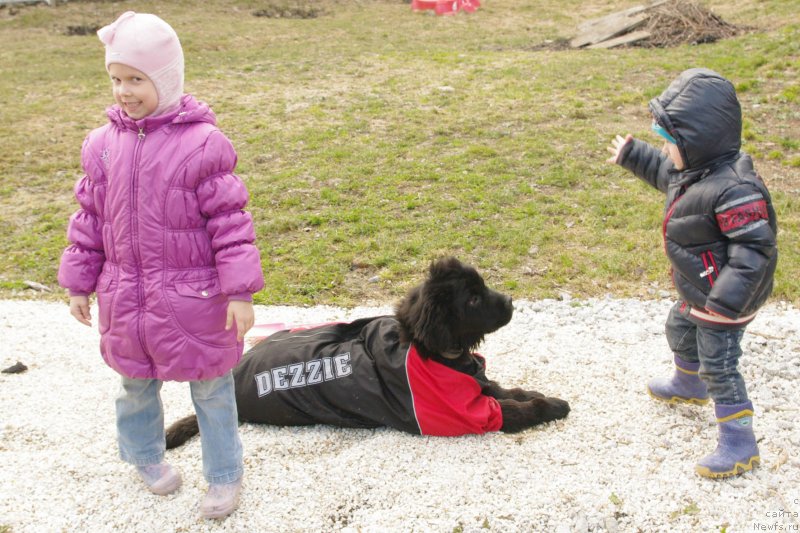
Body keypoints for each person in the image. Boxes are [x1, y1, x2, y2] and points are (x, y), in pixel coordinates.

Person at [57, 11, 264, 518]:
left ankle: (223, 475)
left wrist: (239, 293)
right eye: (116, 78)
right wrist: (79, 283)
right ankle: (145, 457)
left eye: (136, 79)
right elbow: (89, 220)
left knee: (212, 386)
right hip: (127, 293)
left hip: (195, 297)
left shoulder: (204, 145)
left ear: (166, 79)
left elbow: (231, 224)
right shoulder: (102, 145)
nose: (124, 90)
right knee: (133, 382)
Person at [606, 68, 778, 478]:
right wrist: (634, 155)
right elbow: (666, 175)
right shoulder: (696, 171)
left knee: (720, 365)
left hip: (726, 300)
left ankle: (739, 442)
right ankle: (689, 383)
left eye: (671, 144)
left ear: (699, 142)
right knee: (680, 331)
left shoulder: (737, 190)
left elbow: (754, 250)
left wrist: (723, 303)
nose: (666, 152)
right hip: (699, 291)